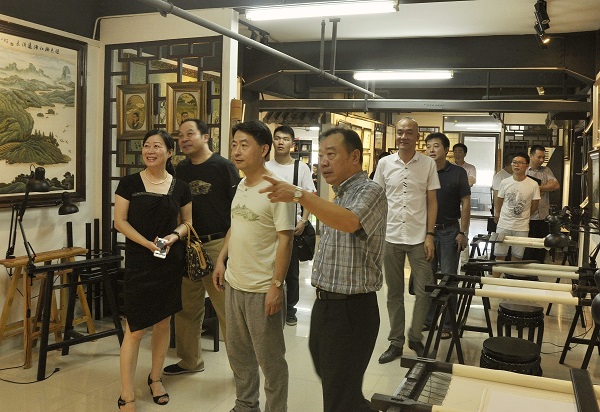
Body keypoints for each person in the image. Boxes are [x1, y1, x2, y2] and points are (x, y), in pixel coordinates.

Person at [260, 126, 387, 412]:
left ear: (355, 157)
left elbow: (349, 222)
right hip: (326, 304)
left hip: (352, 309)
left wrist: (299, 194)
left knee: (339, 394)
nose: (324, 162)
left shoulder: (371, 191)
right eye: (321, 156)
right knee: (334, 380)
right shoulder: (339, 195)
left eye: (332, 154)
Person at [213, 120, 295, 412]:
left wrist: (276, 286)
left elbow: (286, 239)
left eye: (244, 145)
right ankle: (246, 405)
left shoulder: (278, 189)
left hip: (262, 289)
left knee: (271, 361)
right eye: (234, 144)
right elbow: (236, 225)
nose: (236, 151)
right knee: (239, 355)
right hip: (235, 284)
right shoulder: (241, 185)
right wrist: (221, 259)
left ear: (263, 149)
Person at [114, 129, 192, 411]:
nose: (150, 151)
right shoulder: (129, 183)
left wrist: (173, 236)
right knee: (135, 329)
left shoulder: (180, 187)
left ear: (169, 152)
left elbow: (188, 222)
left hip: (168, 261)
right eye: (146, 146)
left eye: (157, 146)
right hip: (139, 261)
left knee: (162, 323)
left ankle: (155, 378)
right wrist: (146, 243)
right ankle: (126, 392)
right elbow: (120, 222)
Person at [163, 119, 240, 376]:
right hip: (188, 245)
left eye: (190, 134)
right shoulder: (180, 169)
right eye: (180, 135)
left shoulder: (224, 167)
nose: (184, 139)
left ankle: (242, 370)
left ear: (206, 137)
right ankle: (190, 361)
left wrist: (228, 252)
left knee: (227, 310)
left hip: (218, 244)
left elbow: (238, 211)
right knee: (187, 308)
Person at [374, 117, 440, 363]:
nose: (403, 136)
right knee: (394, 292)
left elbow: (432, 201)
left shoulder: (427, 164)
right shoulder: (384, 163)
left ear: (417, 136)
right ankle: (396, 342)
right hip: (390, 236)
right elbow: (377, 198)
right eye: (400, 132)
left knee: (425, 289)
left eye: (409, 132)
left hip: (418, 237)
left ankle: (415, 336)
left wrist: (430, 234)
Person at [266, 125, 316, 326]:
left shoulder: (300, 168)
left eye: (285, 139)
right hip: (269, 226)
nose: (281, 142)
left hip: (291, 226)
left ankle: (290, 309)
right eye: (277, 138)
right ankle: (269, 304)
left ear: (292, 144)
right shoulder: (266, 167)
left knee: (291, 271)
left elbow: (309, 196)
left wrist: (303, 221)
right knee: (269, 268)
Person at [422, 133, 470, 339]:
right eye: (428, 146)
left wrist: (463, 232)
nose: (431, 150)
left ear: (446, 149)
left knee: (449, 278)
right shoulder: (423, 171)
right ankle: (428, 319)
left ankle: (449, 323)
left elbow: (465, 202)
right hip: (428, 232)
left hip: (450, 230)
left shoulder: (457, 172)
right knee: (428, 277)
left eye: (436, 146)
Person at [492, 152, 541, 273]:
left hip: (522, 227)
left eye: (520, 163)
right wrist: (497, 214)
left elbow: (535, 205)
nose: (516, 165)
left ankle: (512, 279)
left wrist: (524, 216)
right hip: (504, 225)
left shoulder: (533, 184)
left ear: (527, 166)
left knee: (517, 258)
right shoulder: (504, 182)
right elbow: (499, 200)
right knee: (499, 257)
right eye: (514, 162)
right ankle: (496, 281)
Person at [524, 145, 560, 263]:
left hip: (543, 216)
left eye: (543, 157)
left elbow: (555, 185)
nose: (541, 160)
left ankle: (538, 268)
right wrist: (545, 188)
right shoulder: (524, 170)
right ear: (531, 156)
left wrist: (537, 188)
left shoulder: (546, 170)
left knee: (541, 246)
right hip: (527, 216)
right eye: (539, 157)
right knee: (527, 246)